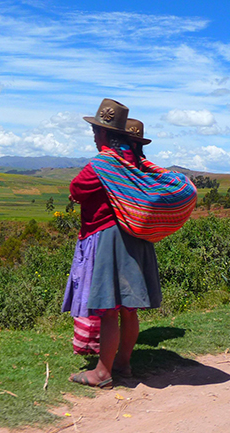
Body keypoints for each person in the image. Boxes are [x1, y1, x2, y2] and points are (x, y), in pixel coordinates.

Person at [62, 99, 162, 389]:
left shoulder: (104, 163)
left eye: (96, 131)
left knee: (109, 309)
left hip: (110, 239)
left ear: (106, 134)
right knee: (128, 308)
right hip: (136, 238)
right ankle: (124, 363)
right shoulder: (135, 162)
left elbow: (77, 188)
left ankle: (102, 372)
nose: (94, 136)